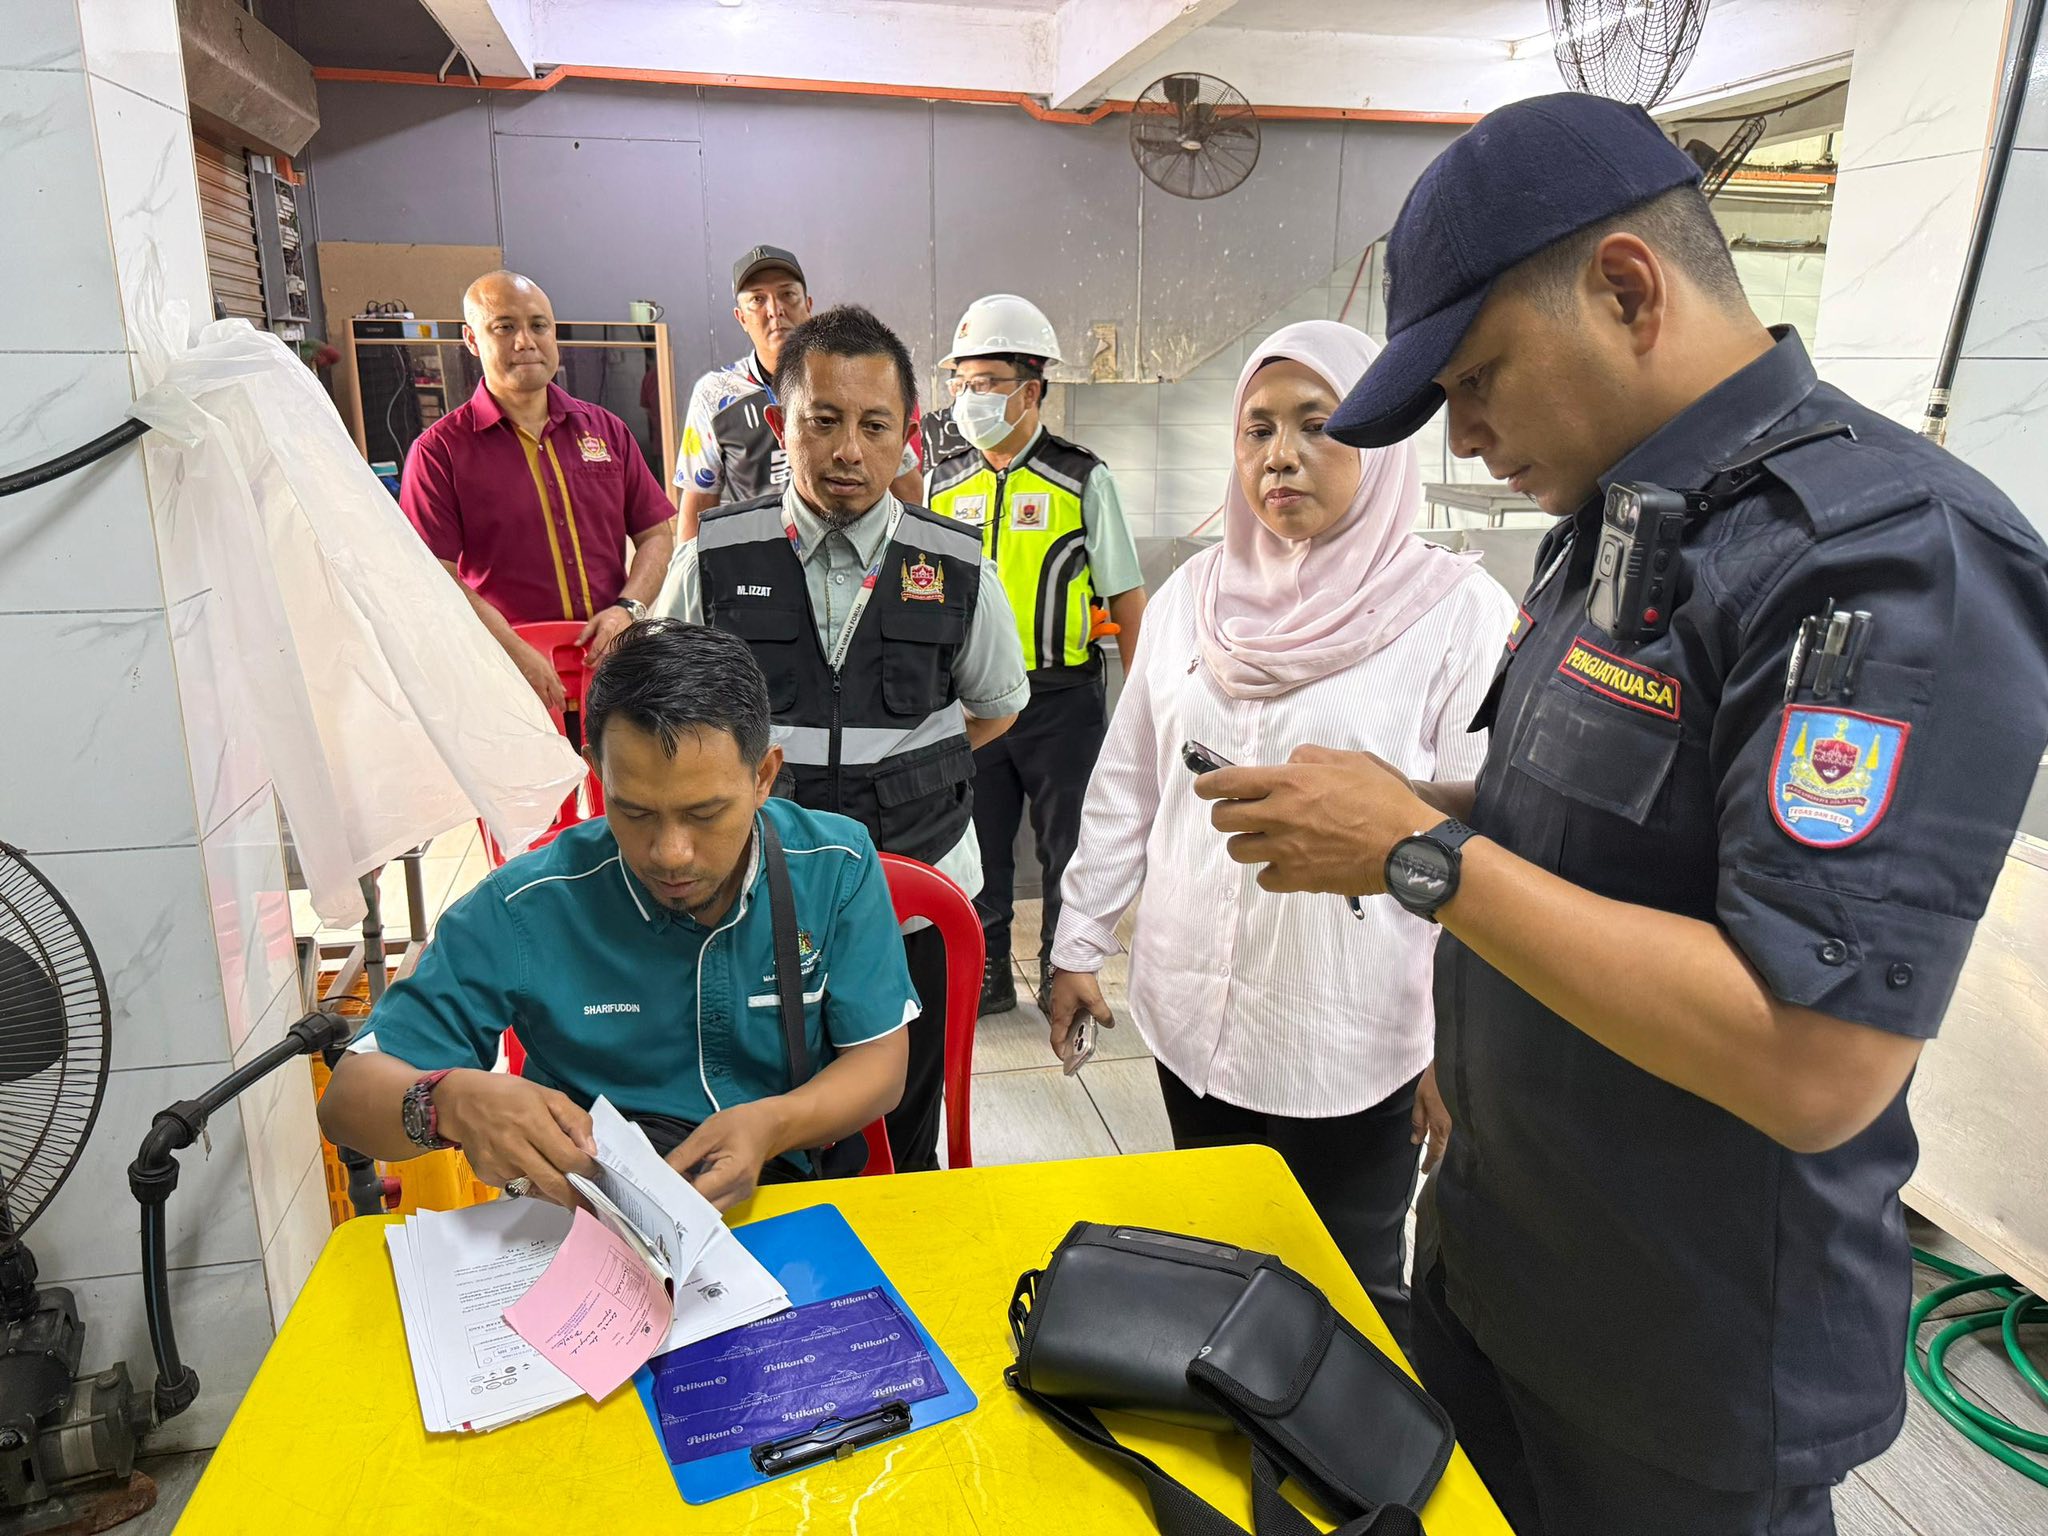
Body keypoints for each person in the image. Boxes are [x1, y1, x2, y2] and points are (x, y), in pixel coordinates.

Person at [1194, 94, 2048, 1536]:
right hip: (1502, 1264)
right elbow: (1598, 839)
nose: (1464, 443)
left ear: (1628, 291)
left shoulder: (1880, 563)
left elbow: (1813, 1055)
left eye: (1477, 383)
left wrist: (1418, 853)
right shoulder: (1624, 518)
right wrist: (1429, 815)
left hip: (1675, 1366)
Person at [1045, 321, 1511, 1348]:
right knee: (1211, 1261)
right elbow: (1128, 784)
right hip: (1186, 1008)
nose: (1278, 455)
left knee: (1343, 1297)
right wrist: (1076, 945)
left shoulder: (1454, 615)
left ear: (1384, 446)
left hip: (1351, 1032)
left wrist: (1456, 1048)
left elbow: (1483, 838)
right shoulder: (1191, 601)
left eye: (1318, 425)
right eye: (1255, 429)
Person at [317, 619, 915, 1210]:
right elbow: (346, 1101)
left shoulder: (834, 866)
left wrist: (771, 1127)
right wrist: (447, 1102)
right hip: (586, 1224)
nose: (671, 854)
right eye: (634, 812)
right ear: (598, 772)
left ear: (763, 776)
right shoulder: (528, 907)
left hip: (782, 1199)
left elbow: (881, 1063)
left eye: (705, 814)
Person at [656, 304, 1029, 1173]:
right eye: (822, 421)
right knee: (758, 1130)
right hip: (748, 905)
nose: (849, 451)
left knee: (900, 1130)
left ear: (907, 435)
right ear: (784, 426)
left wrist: (905, 774)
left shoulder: (956, 564)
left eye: (875, 425)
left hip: (915, 903)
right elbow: (660, 717)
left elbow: (997, 706)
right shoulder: (716, 557)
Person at [924, 295, 1149, 1015]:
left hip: (1061, 703)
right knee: (980, 847)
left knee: (1067, 850)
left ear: (1032, 389)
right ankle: (987, 975)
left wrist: (1145, 709)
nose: (970, 397)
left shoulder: (1083, 478)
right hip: (974, 702)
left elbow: (1127, 599)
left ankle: (1064, 970)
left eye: (987, 382)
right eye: (961, 382)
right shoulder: (943, 480)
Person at [400, 270, 676, 714]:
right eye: (504, 327)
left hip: (611, 677)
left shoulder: (607, 432)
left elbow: (656, 535)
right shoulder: (440, 453)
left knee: (614, 785)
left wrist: (629, 608)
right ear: (472, 340)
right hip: (506, 684)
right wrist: (512, 649)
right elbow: (434, 576)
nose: (525, 340)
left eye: (538, 325)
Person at [675, 245, 924, 540]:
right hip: (757, 560)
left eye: (787, 295)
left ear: (808, 304)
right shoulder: (715, 394)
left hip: (850, 556)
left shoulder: (850, 380)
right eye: (757, 299)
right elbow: (698, 505)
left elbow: (908, 489)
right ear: (741, 317)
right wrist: (692, 573)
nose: (775, 310)